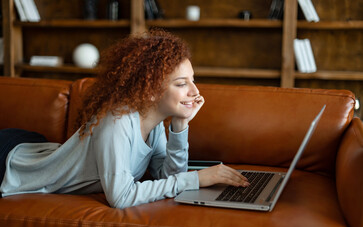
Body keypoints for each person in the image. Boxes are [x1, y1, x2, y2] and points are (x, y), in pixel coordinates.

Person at [0, 29, 249, 209]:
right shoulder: (117, 121)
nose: (195, 92)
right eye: (182, 84)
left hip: (36, 147)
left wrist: (180, 125)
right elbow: (120, 198)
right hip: (9, 163)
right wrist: (197, 178)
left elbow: (168, 176)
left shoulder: (153, 123)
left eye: (193, 81)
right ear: (151, 90)